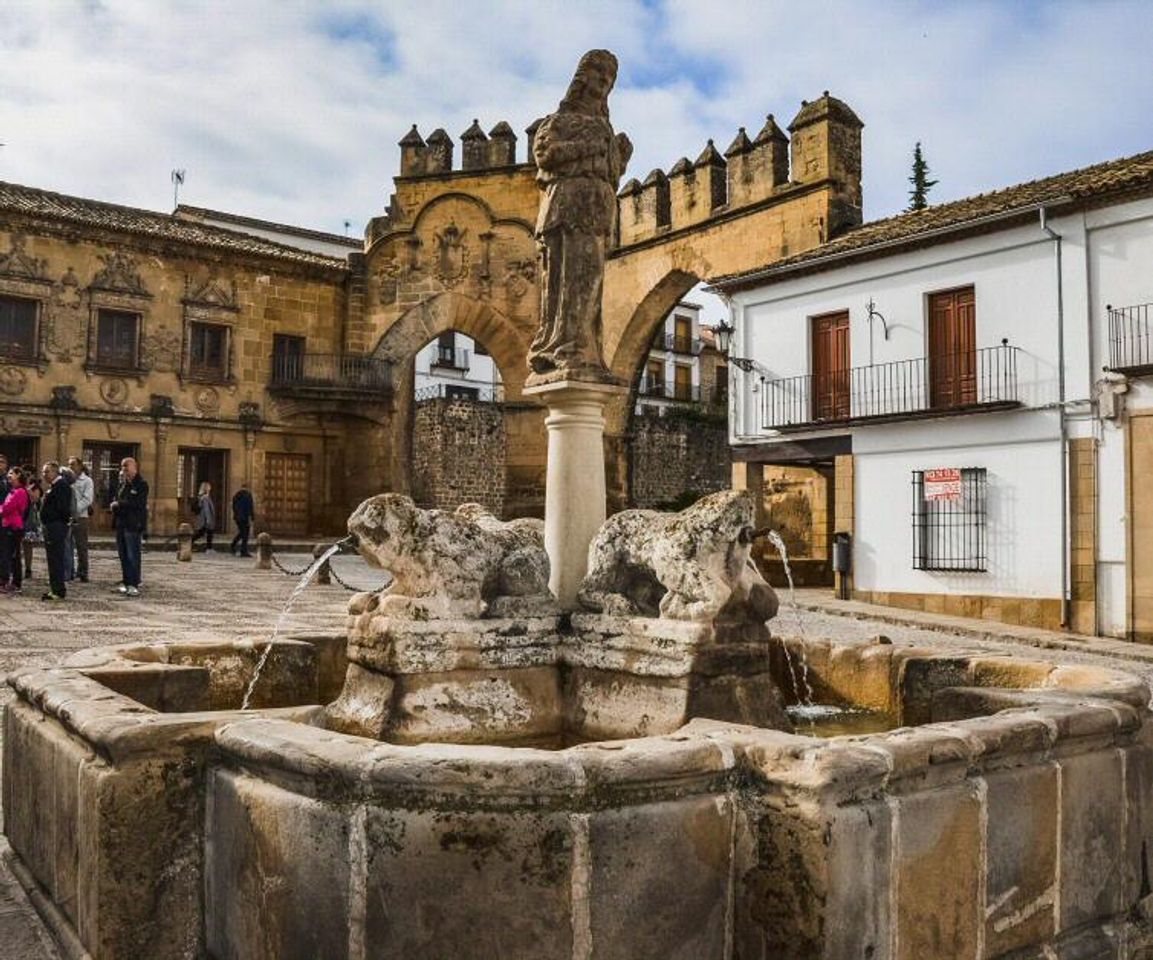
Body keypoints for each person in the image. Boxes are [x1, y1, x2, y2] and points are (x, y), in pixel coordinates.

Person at [110, 457, 147, 597]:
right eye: (122, 466)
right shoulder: (123, 484)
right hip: (121, 523)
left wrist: (119, 505)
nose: (123, 469)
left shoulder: (141, 484)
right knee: (123, 554)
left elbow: (138, 504)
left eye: (126, 466)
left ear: (134, 467)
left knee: (133, 555)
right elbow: (119, 499)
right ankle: (126, 582)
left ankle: (134, 584)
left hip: (133, 524)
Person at [39, 461, 71, 601]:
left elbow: (62, 508)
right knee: (52, 559)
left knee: (56, 559)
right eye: (43, 472)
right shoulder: (54, 486)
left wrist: (52, 520)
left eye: (46, 472)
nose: (44, 475)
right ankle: (55, 588)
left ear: (54, 472)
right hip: (51, 526)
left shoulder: (61, 485)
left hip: (56, 527)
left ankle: (58, 590)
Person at [0, 466, 29, 593]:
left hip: (13, 527)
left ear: (18, 475)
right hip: (9, 525)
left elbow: (6, 508)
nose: (8, 476)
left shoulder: (19, 492)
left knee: (9, 555)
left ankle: (8, 582)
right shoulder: (14, 491)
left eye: (11, 473)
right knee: (11, 555)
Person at [68, 457, 93, 582]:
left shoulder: (87, 481)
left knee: (81, 545)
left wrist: (75, 510)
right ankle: (69, 570)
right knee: (68, 545)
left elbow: (88, 499)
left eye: (73, 464)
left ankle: (83, 571)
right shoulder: (67, 480)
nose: (70, 467)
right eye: (69, 464)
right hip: (67, 516)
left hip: (81, 516)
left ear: (80, 466)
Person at [23, 482, 41, 581]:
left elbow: (36, 499)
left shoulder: (35, 486)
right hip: (18, 517)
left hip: (29, 519)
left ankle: (28, 568)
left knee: (28, 545)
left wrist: (29, 492)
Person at [230, 483, 255, 557]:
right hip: (244, 517)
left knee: (242, 533)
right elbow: (249, 507)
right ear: (247, 488)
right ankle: (243, 551)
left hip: (238, 517)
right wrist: (251, 518)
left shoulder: (236, 495)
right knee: (245, 534)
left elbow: (233, 506)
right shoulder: (248, 495)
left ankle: (234, 545)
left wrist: (236, 515)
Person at [191, 481, 215, 553]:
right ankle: (209, 548)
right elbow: (206, 509)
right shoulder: (205, 498)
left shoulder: (201, 497)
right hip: (205, 519)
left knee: (202, 533)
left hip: (202, 519)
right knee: (206, 533)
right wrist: (208, 520)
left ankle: (208, 548)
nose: (210, 488)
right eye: (209, 487)